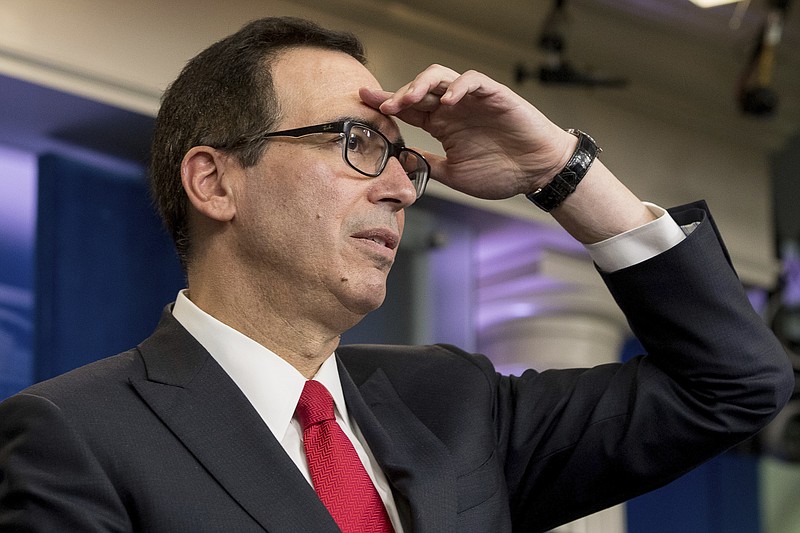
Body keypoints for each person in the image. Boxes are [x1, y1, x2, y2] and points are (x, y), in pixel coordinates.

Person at [0, 16, 793, 533]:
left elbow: (736, 382)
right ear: (214, 182)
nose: (401, 185)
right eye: (356, 143)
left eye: (403, 157)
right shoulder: (72, 437)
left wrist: (559, 169)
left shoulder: (455, 403)